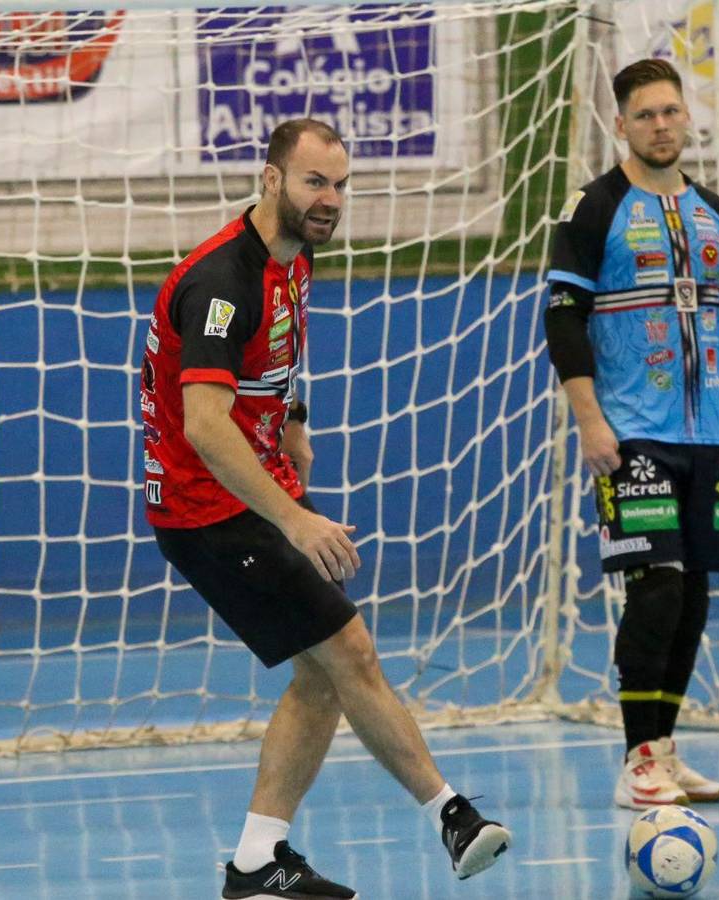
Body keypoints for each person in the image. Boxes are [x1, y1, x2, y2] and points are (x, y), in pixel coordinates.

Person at [142, 118, 512, 898]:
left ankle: (256, 861)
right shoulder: (222, 281)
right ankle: (452, 816)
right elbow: (206, 427)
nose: (330, 200)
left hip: (256, 484)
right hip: (209, 508)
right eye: (314, 182)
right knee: (349, 652)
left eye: (341, 184)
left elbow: (274, 355)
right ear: (270, 179)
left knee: (321, 675)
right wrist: (294, 517)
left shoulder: (293, 255)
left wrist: (295, 420)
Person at [542, 59, 719, 809]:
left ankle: (664, 751)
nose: (662, 125)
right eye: (646, 115)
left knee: (696, 591)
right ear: (622, 126)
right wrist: (590, 420)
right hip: (632, 432)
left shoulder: (713, 212)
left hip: (707, 434)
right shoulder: (592, 209)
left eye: (671, 112)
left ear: (685, 117)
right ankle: (638, 760)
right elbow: (562, 319)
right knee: (658, 590)